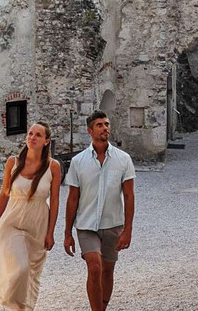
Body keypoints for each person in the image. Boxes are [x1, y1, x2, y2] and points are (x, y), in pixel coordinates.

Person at [62, 111, 135, 311]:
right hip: (86, 225)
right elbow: (72, 198)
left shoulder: (123, 159)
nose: (105, 128)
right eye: (100, 125)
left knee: (107, 271)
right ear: (90, 130)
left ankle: (101, 308)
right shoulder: (78, 162)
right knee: (94, 267)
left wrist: (128, 230)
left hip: (113, 224)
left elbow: (129, 196)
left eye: (107, 124)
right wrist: (68, 233)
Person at [0, 123, 62, 311]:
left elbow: (54, 202)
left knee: (30, 273)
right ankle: (12, 304)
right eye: (30, 133)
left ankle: (22, 309)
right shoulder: (13, 162)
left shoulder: (53, 167)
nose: (32, 137)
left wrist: (51, 232)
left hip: (38, 225)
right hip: (12, 222)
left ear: (46, 141)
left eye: (38, 135)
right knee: (20, 269)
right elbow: (4, 195)